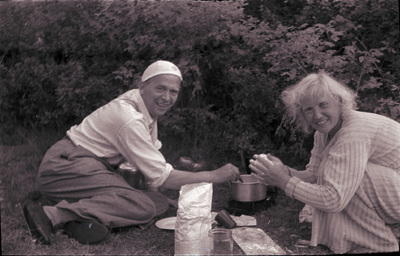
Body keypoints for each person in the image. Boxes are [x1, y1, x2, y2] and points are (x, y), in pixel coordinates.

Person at [23, 60, 241, 245]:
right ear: (142, 86)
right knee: (144, 206)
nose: (166, 97)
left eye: (173, 91)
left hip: (82, 168)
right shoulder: (129, 118)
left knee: (158, 202)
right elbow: (163, 177)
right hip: (64, 168)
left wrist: (159, 194)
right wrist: (214, 176)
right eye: (160, 88)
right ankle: (51, 215)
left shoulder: (144, 109)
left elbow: (150, 172)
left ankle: (80, 221)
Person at [249, 71, 400, 254]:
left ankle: (378, 245)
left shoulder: (354, 132)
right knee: (340, 173)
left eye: (323, 105)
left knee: (353, 176)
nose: (317, 115)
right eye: (309, 109)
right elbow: (313, 175)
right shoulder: (323, 133)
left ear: (339, 102)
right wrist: (282, 171)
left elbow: (333, 199)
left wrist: (282, 181)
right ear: (302, 113)